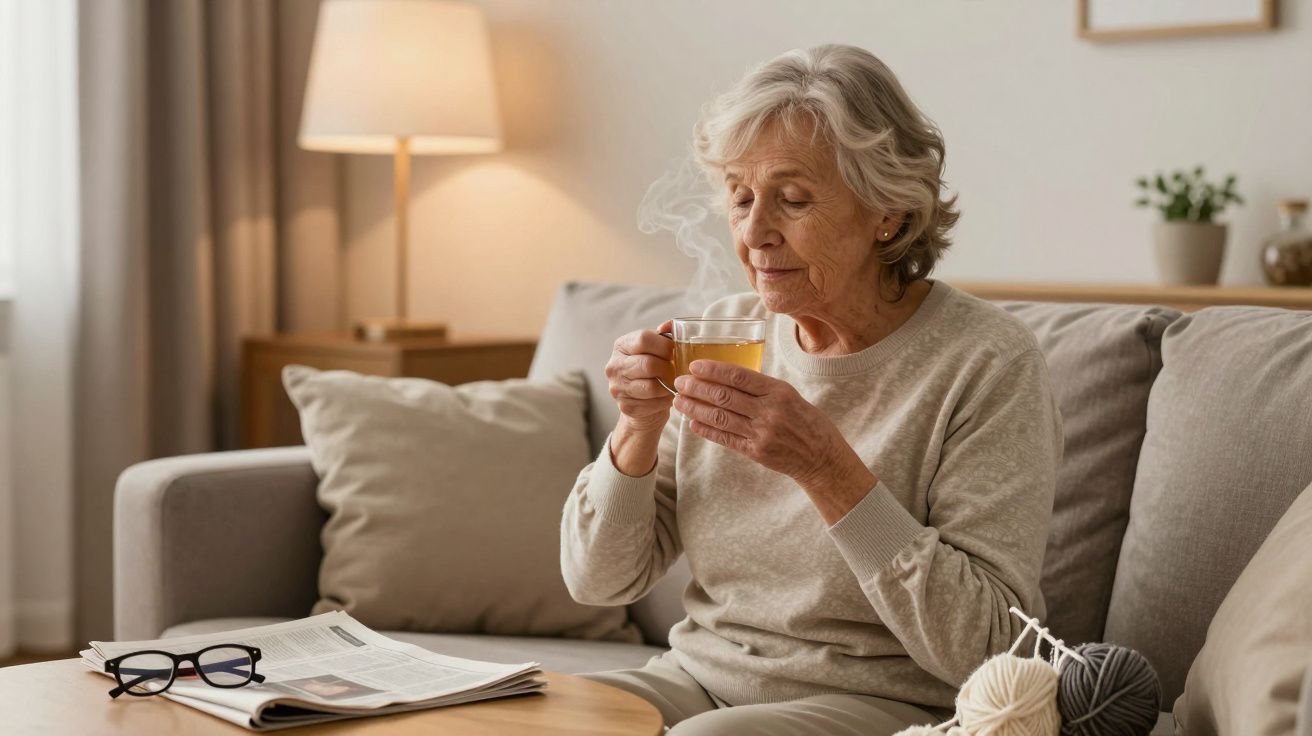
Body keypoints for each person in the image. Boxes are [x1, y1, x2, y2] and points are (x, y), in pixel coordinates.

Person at [561, 44, 1061, 735]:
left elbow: (987, 645)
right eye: (740, 198)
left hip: (883, 703)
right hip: (698, 679)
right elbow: (597, 582)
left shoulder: (986, 363)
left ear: (885, 211)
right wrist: (636, 430)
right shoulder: (725, 335)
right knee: (541, 716)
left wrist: (827, 469)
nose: (756, 233)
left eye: (793, 200)